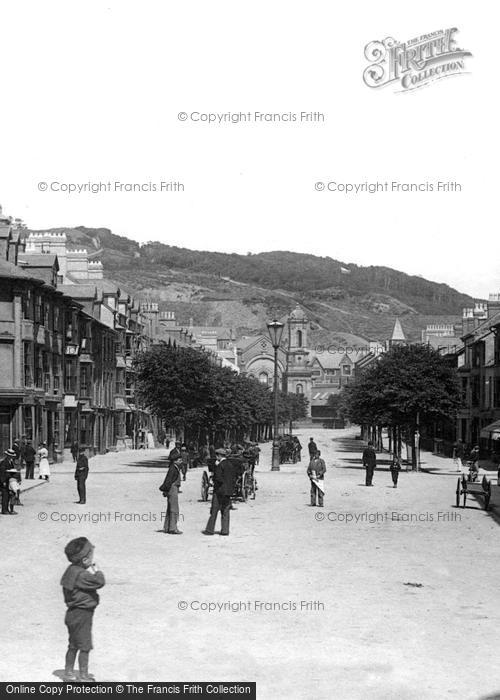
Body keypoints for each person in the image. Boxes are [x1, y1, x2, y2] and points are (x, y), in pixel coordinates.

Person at [60, 537, 105, 682]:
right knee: (85, 645)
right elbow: (100, 582)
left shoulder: (71, 570)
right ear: (85, 560)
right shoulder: (82, 574)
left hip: (72, 614)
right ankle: (84, 676)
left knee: (73, 644)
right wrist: (96, 570)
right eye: (91, 554)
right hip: (82, 615)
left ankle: (68, 672)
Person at [203, 451, 239, 536]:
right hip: (228, 492)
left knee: (214, 510)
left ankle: (210, 529)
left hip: (219, 491)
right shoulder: (230, 465)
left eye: (217, 455)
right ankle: (225, 530)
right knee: (226, 510)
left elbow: (217, 478)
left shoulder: (220, 465)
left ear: (219, 456)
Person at [160, 456, 183, 534]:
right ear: (175, 461)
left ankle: (167, 527)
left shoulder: (174, 467)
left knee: (170, 508)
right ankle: (173, 528)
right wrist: (165, 490)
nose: (181, 461)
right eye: (179, 460)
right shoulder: (173, 469)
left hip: (173, 489)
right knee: (174, 509)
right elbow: (168, 481)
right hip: (172, 489)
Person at [0, 449, 18, 515]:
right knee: (5, 496)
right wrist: (3, 481)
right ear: (7, 455)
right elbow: (2, 473)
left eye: (12, 456)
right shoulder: (4, 462)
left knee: (8, 495)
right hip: (4, 481)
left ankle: (7, 509)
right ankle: (4, 510)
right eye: (10, 456)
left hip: (9, 480)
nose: (11, 457)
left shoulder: (10, 462)